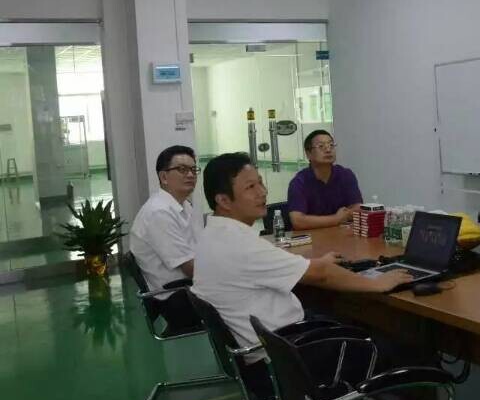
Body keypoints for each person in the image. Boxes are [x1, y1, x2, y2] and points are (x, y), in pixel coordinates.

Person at [191, 152, 411, 364]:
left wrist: (319, 263)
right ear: (224, 200)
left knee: (342, 316)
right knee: (397, 346)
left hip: (274, 345)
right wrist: (376, 283)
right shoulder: (240, 243)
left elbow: (299, 268)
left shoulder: (214, 234)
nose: (263, 192)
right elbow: (321, 275)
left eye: (260, 183)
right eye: (251, 187)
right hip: (288, 355)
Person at [129, 145, 204, 333]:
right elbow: (190, 268)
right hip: (178, 296)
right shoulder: (159, 212)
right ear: (163, 177)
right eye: (182, 169)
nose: (190, 175)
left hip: (190, 288)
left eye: (193, 169)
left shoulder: (183, 205)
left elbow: (202, 249)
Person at [287, 130, 363, 231]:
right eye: (321, 146)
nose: (328, 150)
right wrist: (337, 219)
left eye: (331, 145)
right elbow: (298, 221)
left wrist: (346, 214)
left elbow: (358, 208)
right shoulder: (299, 182)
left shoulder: (346, 175)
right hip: (312, 237)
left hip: (341, 235)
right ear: (308, 154)